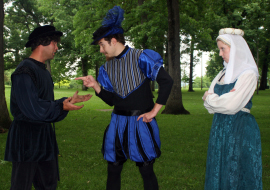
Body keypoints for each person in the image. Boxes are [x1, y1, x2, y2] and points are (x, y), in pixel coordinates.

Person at [76, 6, 173, 190]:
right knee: (113, 170)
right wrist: (96, 86)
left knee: (146, 171)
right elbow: (113, 100)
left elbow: (167, 81)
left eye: (102, 45)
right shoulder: (106, 68)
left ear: (113, 41)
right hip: (117, 123)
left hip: (140, 122)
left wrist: (154, 111)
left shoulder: (141, 57)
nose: (101, 50)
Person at [4, 25, 92, 190]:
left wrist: (65, 101)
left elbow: (42, 101)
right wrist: (61, 106)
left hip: (44, 136)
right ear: (42, 43)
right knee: (21, 185)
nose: (57, 48)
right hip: (26, 139)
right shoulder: (24, 71)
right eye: (54, 43)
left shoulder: (43, 71)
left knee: (48, 184)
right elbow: (32, 107)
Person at [202, 28, 262, 189]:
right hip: (219, 127)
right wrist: (214, 100)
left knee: (237, 170)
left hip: (239, 128)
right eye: (219, 49)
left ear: (235, 49)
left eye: (223, 49)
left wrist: (211, 98)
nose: (220, 54)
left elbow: (231, 105)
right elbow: (210, 106)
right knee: (219, 168)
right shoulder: (222, 73)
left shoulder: (248, 74)